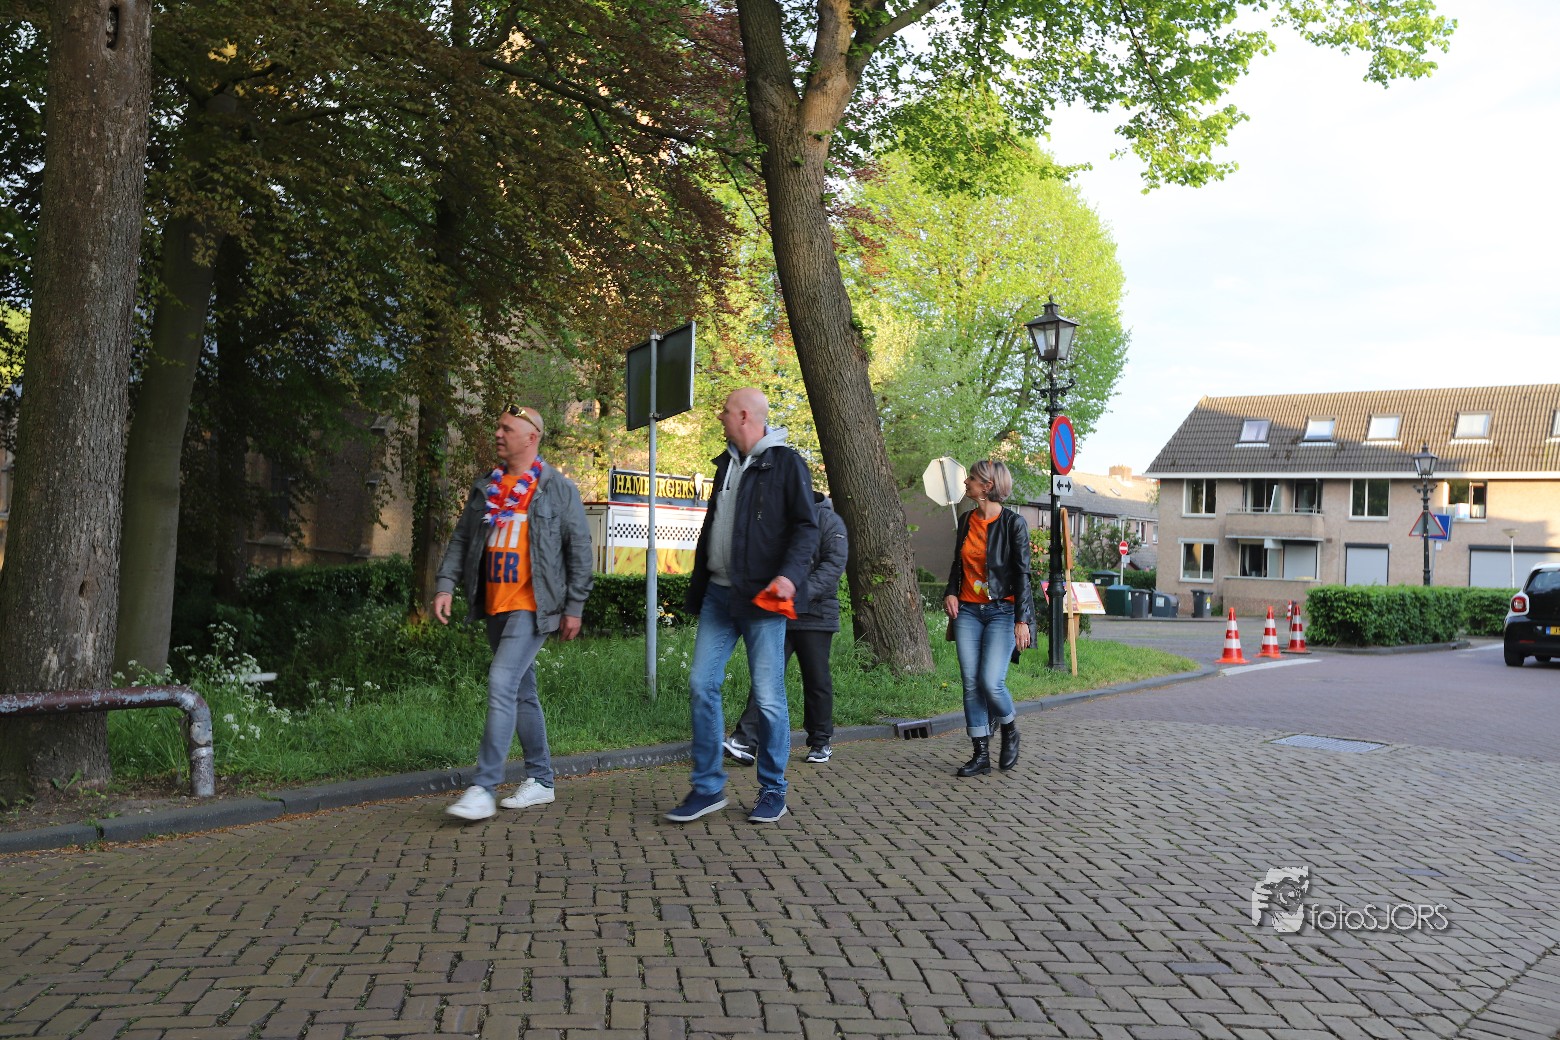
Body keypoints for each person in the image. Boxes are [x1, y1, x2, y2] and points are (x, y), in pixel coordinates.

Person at [665, 388, 818, 825]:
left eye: (726, 411)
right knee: (701, 683)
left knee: (768, 697)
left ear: (746, 416)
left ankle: (773, 789)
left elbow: (806, 528)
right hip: (719, 593)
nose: (720, 416)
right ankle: (708, 787)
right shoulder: (725, 465)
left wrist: (789, 576)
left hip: (762, 599)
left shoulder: (786, 463)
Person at [434, 405, 593, 821]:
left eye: (507, 428)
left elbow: (579, 549)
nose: (499, 434)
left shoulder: (558, 489)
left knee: (501, 681)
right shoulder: (487, 486)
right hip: (494, 604)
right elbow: (462, 539)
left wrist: (574, 607)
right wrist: (445, 584)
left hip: (533, 606)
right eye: (498, 427)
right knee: (521, 691)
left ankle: (484, 788)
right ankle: (541, 780)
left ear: (531, 437)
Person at [723, 490, 849, 766]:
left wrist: (797, 593)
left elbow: (833, 566)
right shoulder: (778, 519)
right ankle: (746, 740)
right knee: (766, 675)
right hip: (778, 613)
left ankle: (820, 742)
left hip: (816, 615)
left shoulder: (830, 521)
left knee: (816, 679)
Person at [943, 459, 1034, 777]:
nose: (966, 482)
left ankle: (1009, 727)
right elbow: (957, 564)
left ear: (987, 486)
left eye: (971, 478)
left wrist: (1022, 620)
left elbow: (1023, 575)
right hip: (968, 611)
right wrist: (951, 592)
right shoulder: (966, 520)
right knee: (971, 683)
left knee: (990, 682)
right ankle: (980, 755)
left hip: (1002, 612)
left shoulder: (1013, 524)